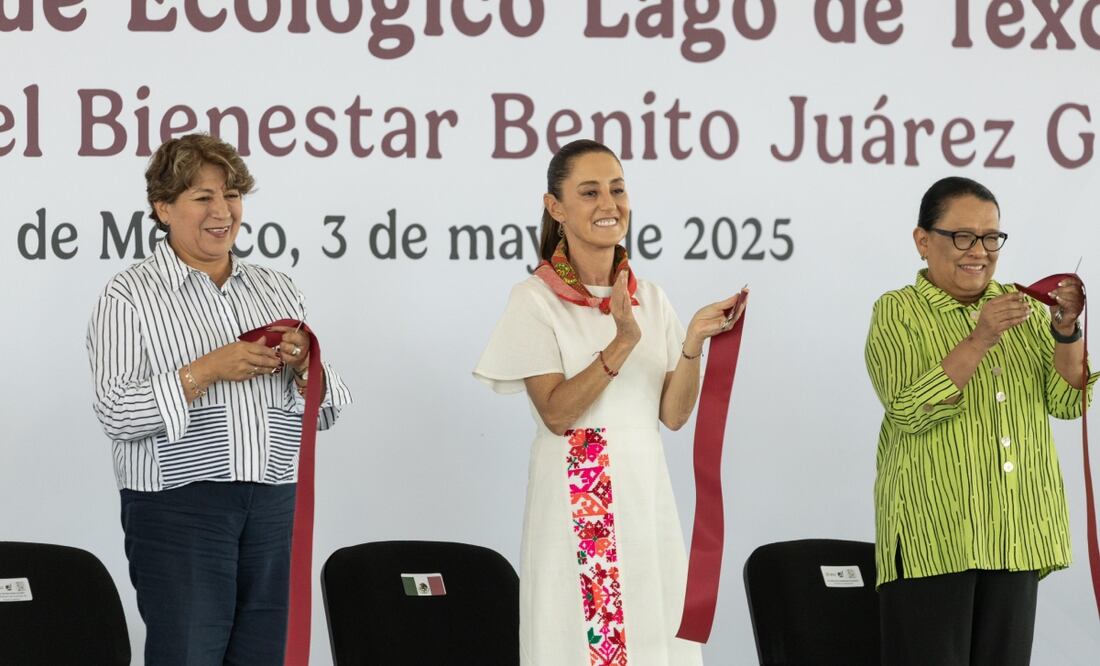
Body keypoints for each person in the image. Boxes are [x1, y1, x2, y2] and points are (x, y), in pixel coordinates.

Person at [474, 139, 746, 665]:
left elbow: (672, 414)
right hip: (583, 485)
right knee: (588, 646)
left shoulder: (653, 296)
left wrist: (690, 342)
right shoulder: (534, 298)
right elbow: (556, 413)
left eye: (617, 190)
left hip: (646, 490)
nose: (609, 204)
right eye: (590, 192)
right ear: (556, 207)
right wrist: (622, 340)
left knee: (656, 639)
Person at [86, 133, 352, 665]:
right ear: (163, 208)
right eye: (202, 196)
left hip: (275, 504)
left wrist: (305, 367)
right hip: (179, 507)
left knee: (265, 656)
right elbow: (116, 411)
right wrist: (204, 371)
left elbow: (327, 409)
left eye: (231, 194)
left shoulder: (276, 287)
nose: (222, 210)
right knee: (189, 656)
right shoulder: (129, 293)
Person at [864, 176, 1096, 666]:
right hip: (935, 538)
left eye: (991, 237)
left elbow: (1066, 400)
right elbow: (908, 408)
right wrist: (980, 337)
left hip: (1016, 533)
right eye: (963, 236)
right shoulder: (897, 311)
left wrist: (1065, 330)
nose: (981, 251)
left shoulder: (1025, 308)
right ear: (923, 240)